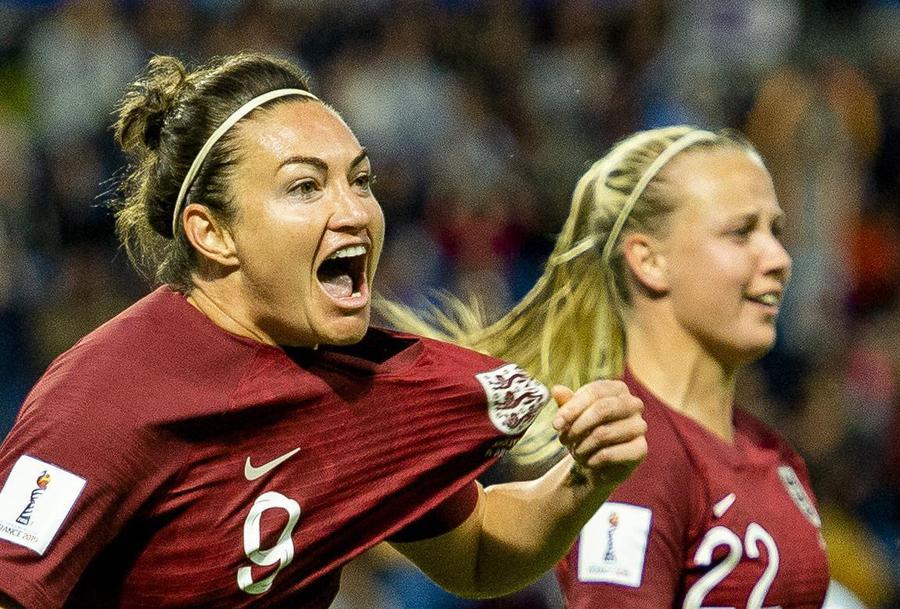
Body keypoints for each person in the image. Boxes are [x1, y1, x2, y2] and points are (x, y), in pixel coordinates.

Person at [0, 53, 648, 608]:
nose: (356, 211)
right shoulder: (106, 397)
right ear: (213, 233)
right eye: (306, 186)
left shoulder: (357, 385)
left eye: (360, 180)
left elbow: (476, 553)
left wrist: (584, 478)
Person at [383, 126, 831, 608]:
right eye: (741, 232)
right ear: (649, 260)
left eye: (776, 230)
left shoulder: (771, 451)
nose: (780, 258)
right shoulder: (631, 463)